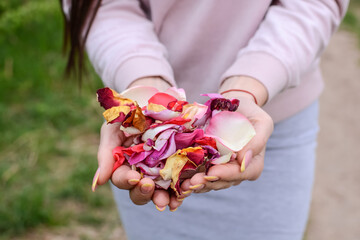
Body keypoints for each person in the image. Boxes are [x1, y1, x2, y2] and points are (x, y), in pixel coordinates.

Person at [61, 1, 349, 239]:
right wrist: (143, 82)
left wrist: (248, 86)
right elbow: (106, 6)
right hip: (146, 136)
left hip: (268, 118)